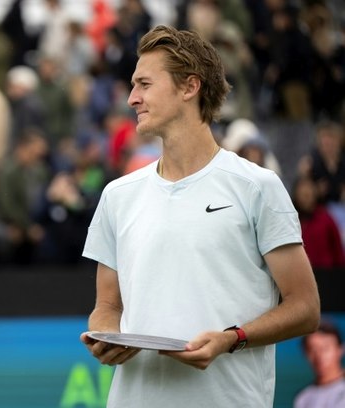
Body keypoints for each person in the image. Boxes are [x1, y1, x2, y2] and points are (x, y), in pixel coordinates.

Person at [79, 25, 320, 408]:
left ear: (189, 87)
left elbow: (305, 308)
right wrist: (108, 336)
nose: (131, 99)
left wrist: (232, 338)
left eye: (144, 84)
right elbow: (107, 307)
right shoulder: (117, 194)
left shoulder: (257, 186)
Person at [294, 321, 345, 408]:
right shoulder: (303, 398)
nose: (319, 355)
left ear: (340, 349)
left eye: (325, 348)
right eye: (313, 350)